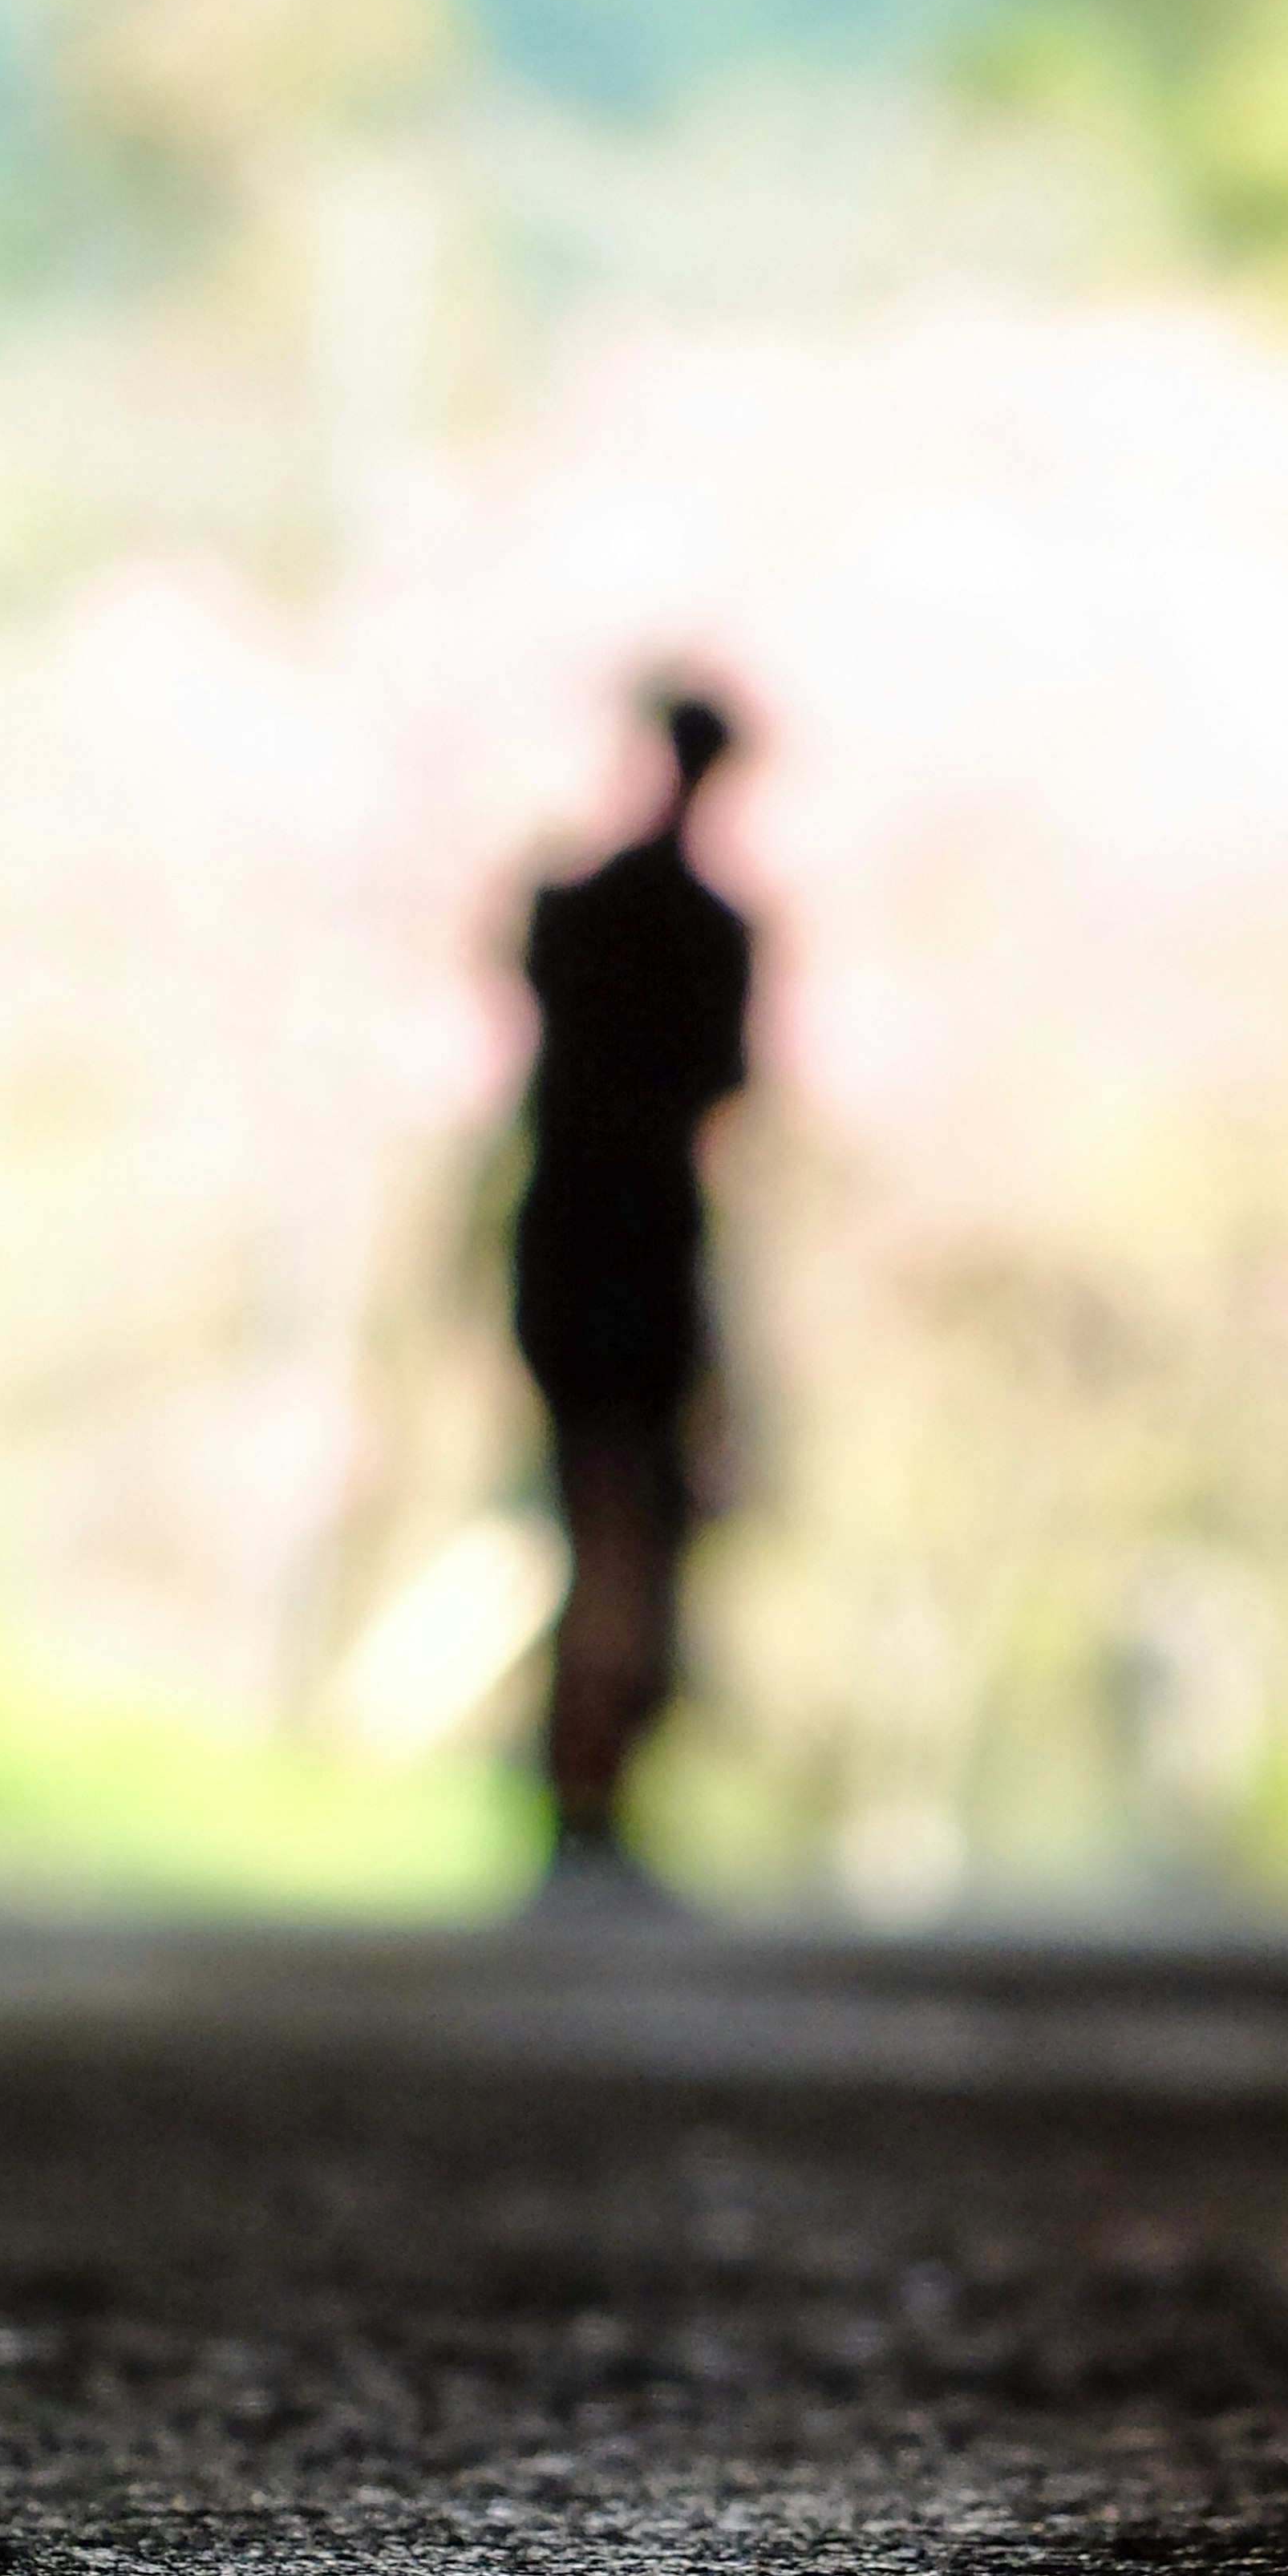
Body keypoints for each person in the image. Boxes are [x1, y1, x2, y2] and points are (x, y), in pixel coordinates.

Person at [511, 687, 753, 1879]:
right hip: (637, 1247)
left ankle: (582, 1771)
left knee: (600, 1514)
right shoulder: (705, 937)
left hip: (573, 1242)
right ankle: (590, 1775)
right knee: (625, 1520)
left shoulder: (574, 912)